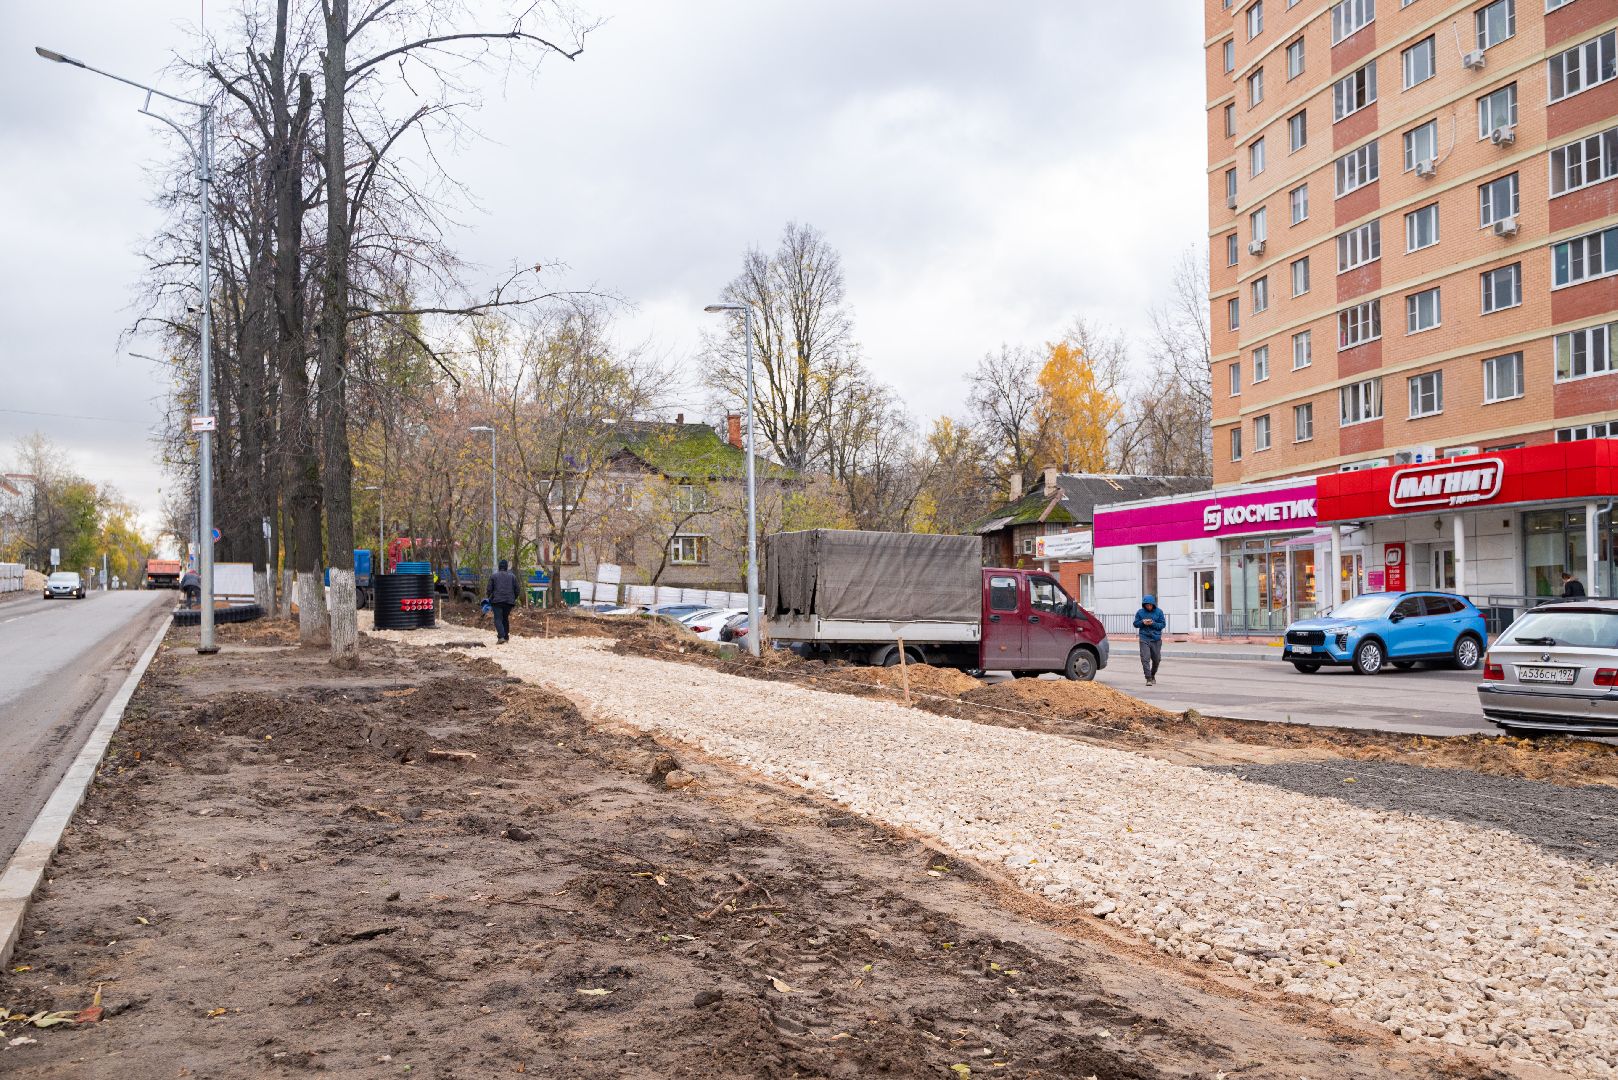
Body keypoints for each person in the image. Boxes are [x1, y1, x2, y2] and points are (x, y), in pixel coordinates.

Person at [1133, 593, 1166, 686]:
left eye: (1150, 605)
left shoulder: (1159, 612)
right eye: (1147, 605)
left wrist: (1153, 623)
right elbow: (1135, 624)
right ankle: (1148, 678)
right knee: (1145, 658)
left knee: (1157, 659)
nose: (1148, 606)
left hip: (1156, 639)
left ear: (1153, 604)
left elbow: (1162, 625)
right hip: (1144, 638)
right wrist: (1142, 622)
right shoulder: (1140, 612)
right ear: (1144, 605)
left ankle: (1152, 674)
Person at [488, 559, 518, 643]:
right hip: (509, 602)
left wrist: (490, 598)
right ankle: (506, 637)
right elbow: (517, 590)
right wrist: (513, 598)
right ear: (506, 567)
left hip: (497, 601)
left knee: (498, 619)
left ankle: (501, 637)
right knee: (505, 618)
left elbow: (489, 589)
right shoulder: (512, 577)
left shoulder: (494, 576)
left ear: (499, 567)